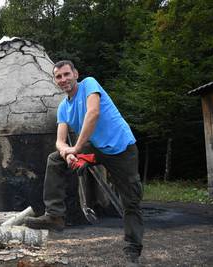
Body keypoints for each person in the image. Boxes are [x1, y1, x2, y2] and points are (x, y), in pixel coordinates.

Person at [25, 60, 144, 264]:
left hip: (122, 149)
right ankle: (55, 215)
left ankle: (133, 250)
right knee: (55, 160)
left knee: (131, 201)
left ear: (76, 74)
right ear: (55, 81)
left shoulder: (89, 84)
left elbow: (93, 113)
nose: (63, 79)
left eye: (66, 74)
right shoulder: (63, 107)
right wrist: (67, 154)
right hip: (96, 148)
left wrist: (77, 148)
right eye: (58, 77)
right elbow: (60, 141)